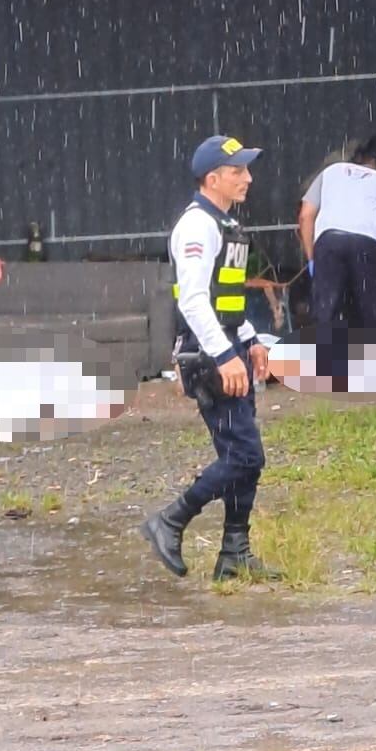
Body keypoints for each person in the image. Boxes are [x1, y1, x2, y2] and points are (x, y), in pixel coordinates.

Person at [139, 135, 278, 582]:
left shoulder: (226, 225)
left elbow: (229, 297)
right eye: (238, 172)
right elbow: (195, 302)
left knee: (240, 452)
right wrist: (224, 357)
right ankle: (171, 519)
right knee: (245, 455)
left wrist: (252, 340)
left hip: (230, 346)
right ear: (213, 178)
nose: (248, 179)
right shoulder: (197, 226)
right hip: (208, 355)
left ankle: (234, 552)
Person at [297, 139, 376, 328]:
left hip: (330, 240)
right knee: (374, 313)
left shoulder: (330, 172)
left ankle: (324, 355)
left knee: (325, 310)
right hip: (368, 243)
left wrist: (312, 258)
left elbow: (305, 216)